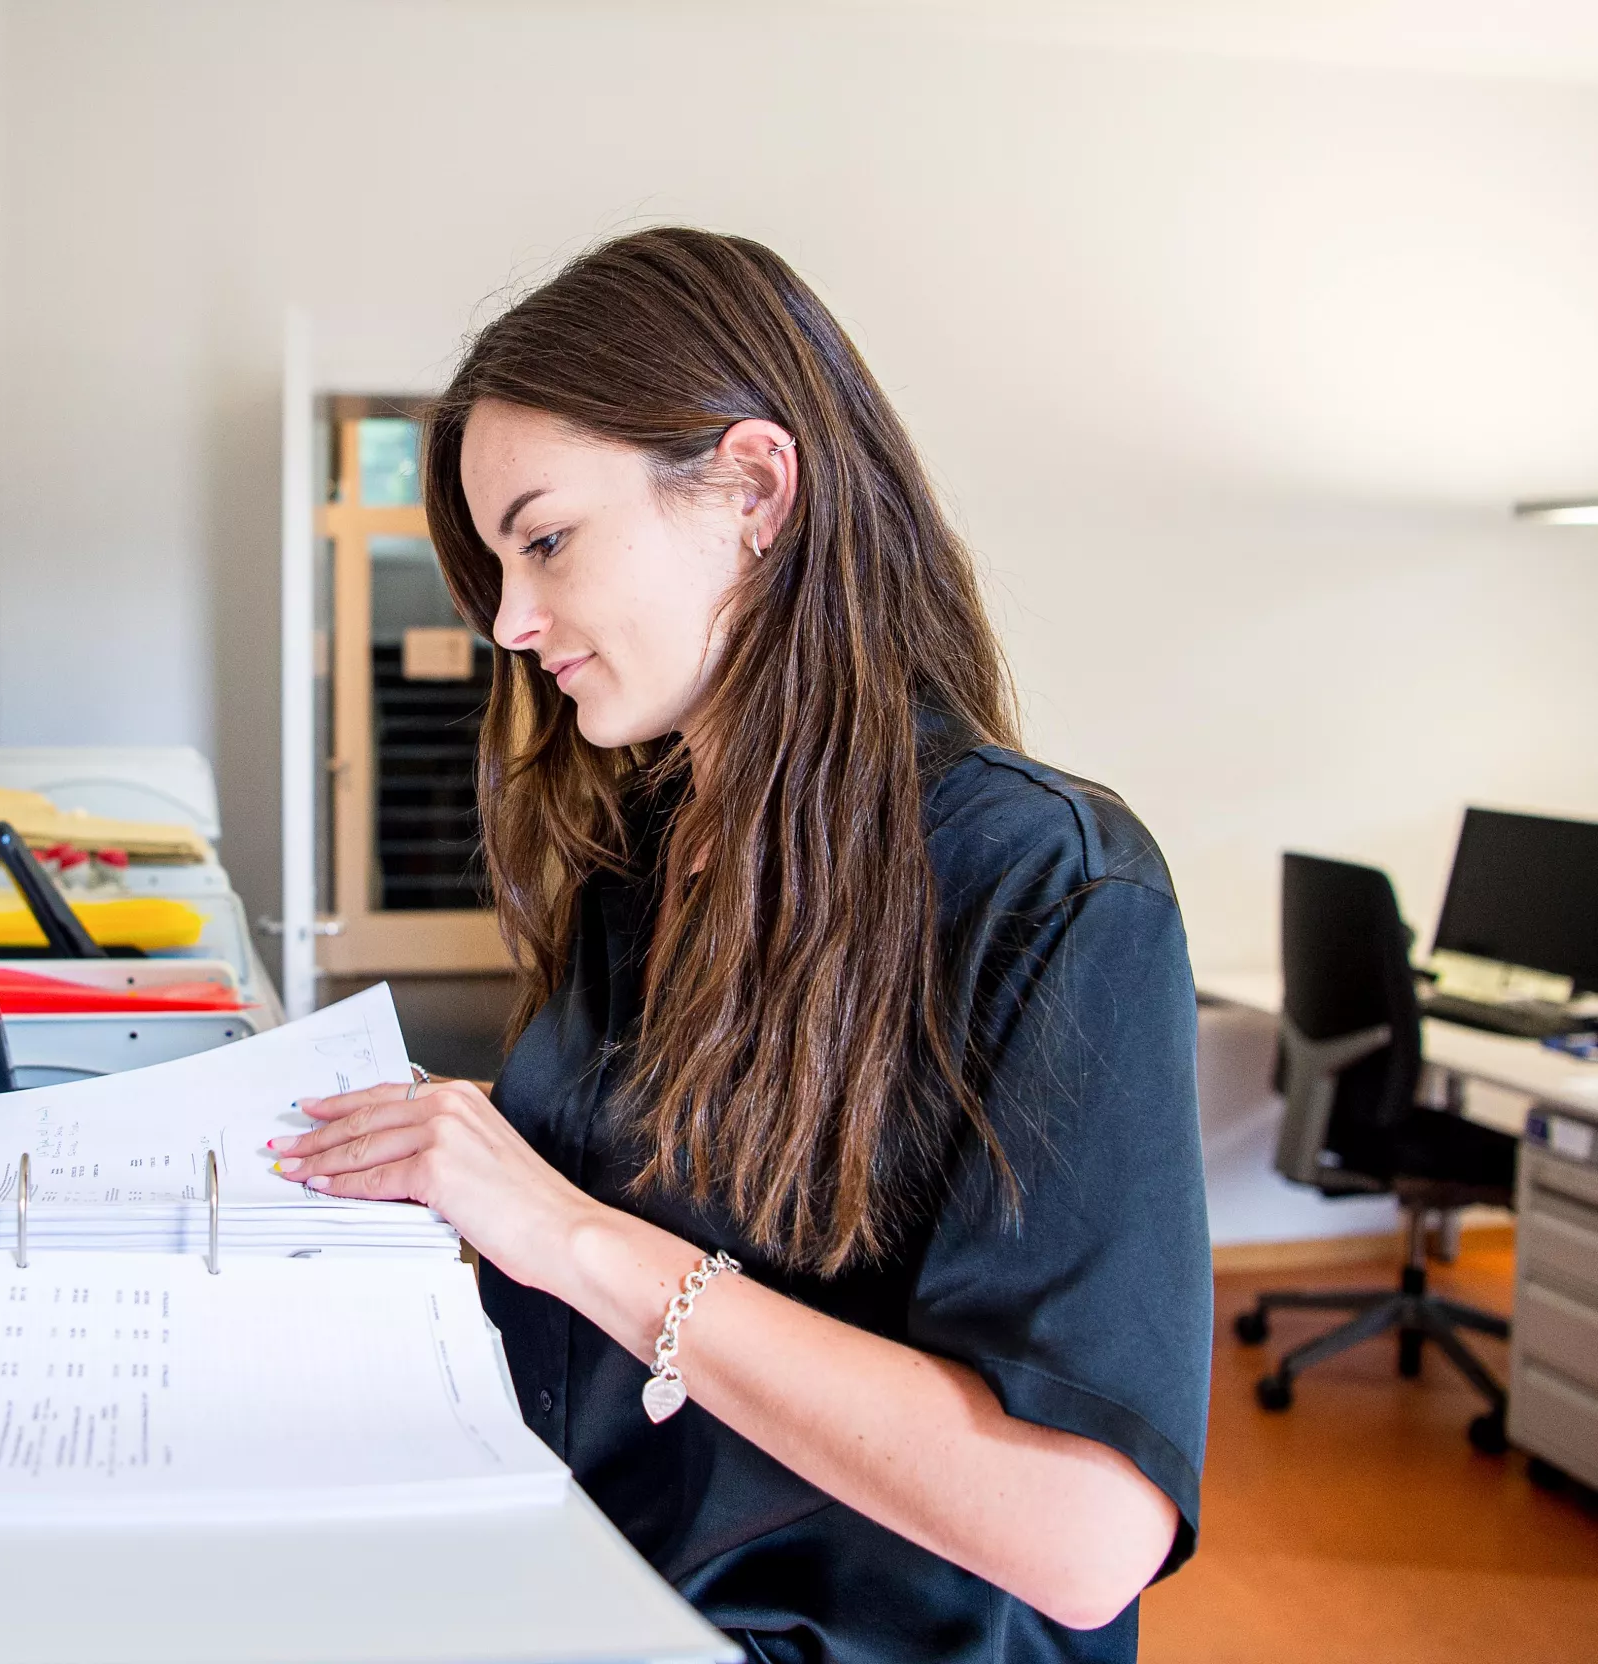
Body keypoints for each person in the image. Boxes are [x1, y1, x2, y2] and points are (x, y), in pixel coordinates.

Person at [274, 228, 1211, 1662]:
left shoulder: (1052, 889)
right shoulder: (636, 848)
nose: (513, 621)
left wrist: (567, 1233)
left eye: (547, 539)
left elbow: (1082, 1538)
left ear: (754, 490)